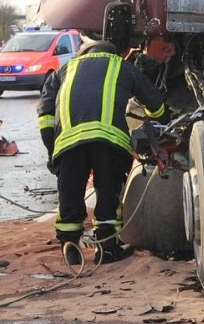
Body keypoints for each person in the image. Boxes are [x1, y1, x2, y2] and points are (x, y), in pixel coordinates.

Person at [37, 40, 169, 264]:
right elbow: (156, 105)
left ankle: (70, 249)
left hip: (69, 144)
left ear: (83, 53)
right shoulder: (121, 65)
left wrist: (53, 151)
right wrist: (157, 123)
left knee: (70, 196)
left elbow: (45, 115)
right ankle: (107, 249)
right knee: (108, 193)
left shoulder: (63, 70)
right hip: (108, 142)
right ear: (113, 52)